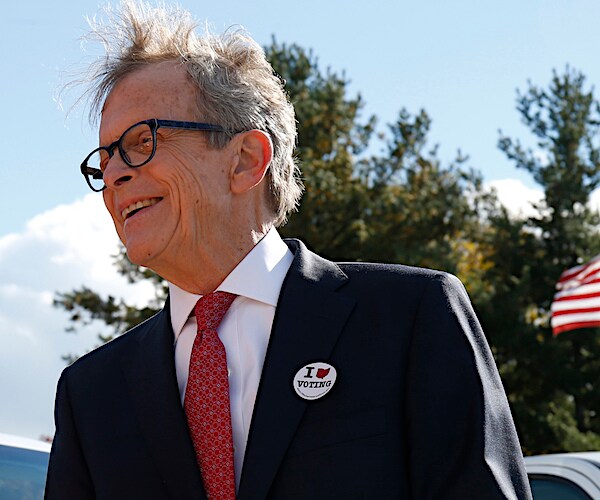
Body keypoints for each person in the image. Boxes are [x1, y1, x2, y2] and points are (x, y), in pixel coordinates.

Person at [45, 1, 532, 499]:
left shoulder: (410, 319)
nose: (115, 176)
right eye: (103, 160)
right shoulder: (90, 395)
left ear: (245, 160)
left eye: (140, 141)